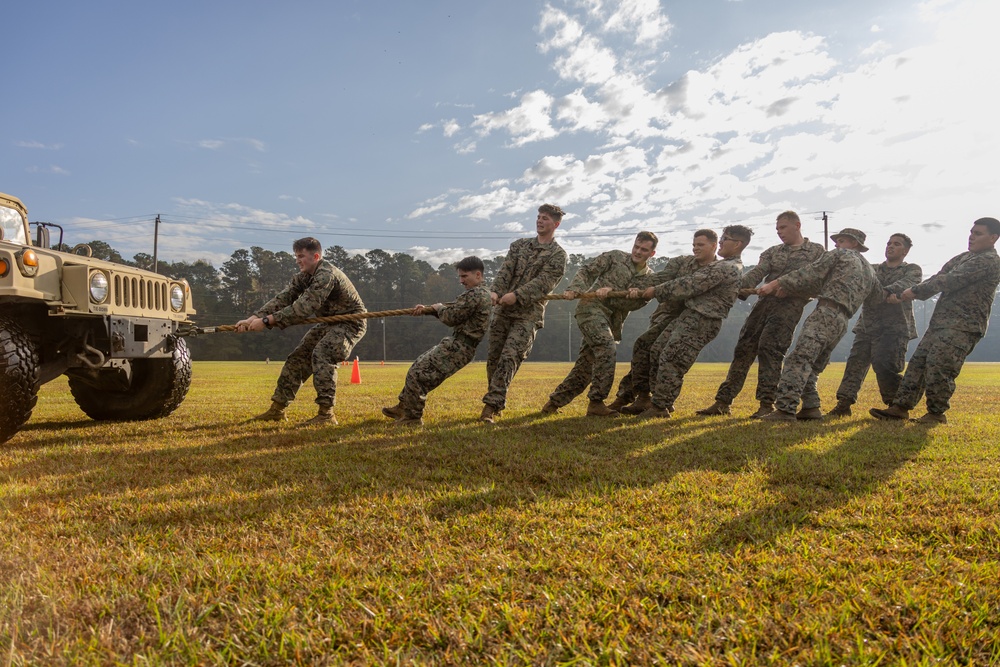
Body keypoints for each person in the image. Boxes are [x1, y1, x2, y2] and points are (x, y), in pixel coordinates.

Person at [695, 211, 825, 418]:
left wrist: (791, 289)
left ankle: (766, 405)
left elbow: (816, 281)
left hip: (788, 309)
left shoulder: (817, 252)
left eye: (783, 228)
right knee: (743, 349)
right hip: (763, 304)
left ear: (797, 225)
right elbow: (756, 273)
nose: (779, 233)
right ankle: (723, 402)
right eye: (777, 229)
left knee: (770, 350)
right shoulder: (772, 252)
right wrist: (734, 285)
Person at [871, 217, 1000, 425]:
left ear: (993, 238)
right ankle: (900, 407)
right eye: (971, 232)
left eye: (978, 234)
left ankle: (936, 413)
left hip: (963, 325)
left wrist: (913, 291)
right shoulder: (962, 258)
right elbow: (938, 276)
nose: (971, 237)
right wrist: (910, 291)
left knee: (940, 366)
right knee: (918, 364)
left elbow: (949, 280)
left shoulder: (989, 260)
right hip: (941, 322)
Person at [235, 237, 367, 425]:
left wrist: (266, 321)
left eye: (301, 256)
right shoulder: (304, 277)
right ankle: (277, 410)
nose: (297, 260)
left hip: (350, 323)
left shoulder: (326, 274)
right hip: (329, 323)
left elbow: (303, 308)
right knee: (298, 357)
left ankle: (326, 415)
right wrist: (252, 318)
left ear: (315, 256)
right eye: (296, 256)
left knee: (323, 354)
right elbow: (283, 298)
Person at [757, 228, 881, 422]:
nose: (836, 244)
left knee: (799, 359)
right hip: (842, 321)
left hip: (826, 312)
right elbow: (876, 298)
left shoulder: (841, 254)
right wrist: (788, 289)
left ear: (854, 243)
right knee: (813, 366)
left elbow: (811, 272)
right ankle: (811, 408)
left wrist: (775, 284)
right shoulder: (871, 272)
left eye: (841, 240)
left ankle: (785, 409)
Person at [636, 226, 752, 419]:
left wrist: (656, 290)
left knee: (673, 358)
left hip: (703, 319)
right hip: (690, 315)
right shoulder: (724, 266)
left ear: (738, 244)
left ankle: (660, 407)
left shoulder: (727, 267)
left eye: (725, 239)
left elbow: (690, 283)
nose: (721, 242)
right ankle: (662, 401)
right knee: (657, 350)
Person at [541, 232, 657, 416]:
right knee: (606, 347)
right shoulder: (615, 257)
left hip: (612, 321)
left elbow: (637, 304)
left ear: (652, 253)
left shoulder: (649, 278)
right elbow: (588, 271)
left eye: (644, 249)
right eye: (636, 246)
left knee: (586, 366)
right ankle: (596, 403)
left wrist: (628, 295)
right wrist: (575, 288)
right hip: (590, 308)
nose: (637, 251)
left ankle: (553, 403)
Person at [481, 204, 568, 423]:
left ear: (556, 224)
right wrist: (495, 292)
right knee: (494, 358)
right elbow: (505, 271)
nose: (540, 221)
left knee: (510, 357)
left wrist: (517, 295)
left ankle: (490, 407)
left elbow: (544, 283)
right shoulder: (519, 245)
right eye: (538, 217)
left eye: (545, 218)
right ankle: (496, 401)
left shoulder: (558, 255)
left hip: (528, 314)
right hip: (503, 310)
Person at [382, 256, 492, 426]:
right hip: (457, 344)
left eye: (465, 276)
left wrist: (439, 308)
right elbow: (456, 311)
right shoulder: (479, 294)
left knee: (419, 375)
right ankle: (404, 406)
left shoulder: (477, 294)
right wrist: (429, 310)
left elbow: (452, 316)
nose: (461, 281)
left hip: (459, 347)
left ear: (478, 275)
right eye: (460, 277)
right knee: (416, 368)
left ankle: (412, 418)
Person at [827, 234, 922, 416]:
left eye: (896, 244)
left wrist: (884, 292)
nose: (890, 247)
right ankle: (843, 405)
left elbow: (907, 283)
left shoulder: (911, 269)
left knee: (885, 366)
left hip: (894, 328)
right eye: (888, 243)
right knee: (855, 365)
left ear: (906, 250)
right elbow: (860, 283)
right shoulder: (873, 269)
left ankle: (897, 406)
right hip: (867, 326)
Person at [612, 242, 705, 414]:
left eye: (701, 244)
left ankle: (659, 401)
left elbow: (684, 286)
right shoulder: (681, 262)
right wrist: (639, 285)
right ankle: (641, 397)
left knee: (661, 352)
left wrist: (656, 289)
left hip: (691, 318)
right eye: (694, 244)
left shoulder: (715, 269)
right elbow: (661, 277)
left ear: (713, 246)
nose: (696, 248)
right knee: (644, 348)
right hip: (666, 315)